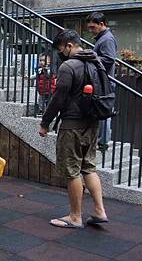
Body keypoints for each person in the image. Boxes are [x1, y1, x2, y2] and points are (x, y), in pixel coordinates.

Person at [39, 29, 109, 229]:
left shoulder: (69, 66)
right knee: (89, 166)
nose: (60, 53)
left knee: (72, 171)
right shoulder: (96, 62)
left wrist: (45, 123)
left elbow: (58, 98)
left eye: (61, 49)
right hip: (93, 122)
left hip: (72, 124)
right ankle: (99, 210)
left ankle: (75, 217)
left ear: (69, 46)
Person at [86, 12, 117, 151]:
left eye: (93, 27)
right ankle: (102, 141)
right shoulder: (103, 38)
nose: (91, 30)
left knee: (104, 110)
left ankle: (103, 142)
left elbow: (109, 59)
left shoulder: (106, 39)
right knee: (103, 110)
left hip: (105, 81)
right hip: (104, 80)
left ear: (102, 24)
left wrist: (92, 58)